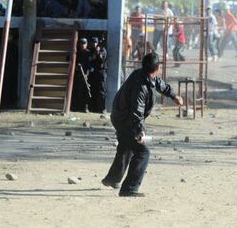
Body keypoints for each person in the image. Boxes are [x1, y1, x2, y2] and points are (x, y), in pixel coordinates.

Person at [101, 53, 184, 197]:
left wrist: (173, 96)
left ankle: (112, 179)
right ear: (157, 68)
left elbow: (159, 83)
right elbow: (137, 111)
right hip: (125, 119)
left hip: (120, 115)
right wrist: (140, 130)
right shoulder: (141, 86)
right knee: (142, 152)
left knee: (125, 146)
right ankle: (129, 189)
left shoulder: (144, 75)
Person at [73, 38, 92, 112]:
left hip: (85, 75)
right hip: (77, 74)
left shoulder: (88, 53)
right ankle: (76, 107)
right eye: (81, 43)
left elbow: (89, 65)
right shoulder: (76, 52)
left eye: (84, 43)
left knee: (86, 91)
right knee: (77, 91)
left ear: (86, 44)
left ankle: (85, 107)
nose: (82, 45)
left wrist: (86, 74)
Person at [88, 37, 107, 113]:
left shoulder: (102, 50)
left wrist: (98, 52)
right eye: (93, 42)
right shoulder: (91, 50)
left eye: (95, 42)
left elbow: (102, 60)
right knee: (93, 90)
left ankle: (101, 108)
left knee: (101, 90)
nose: (94, 44)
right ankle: (93, 107)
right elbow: (90, 59)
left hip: (101, 72)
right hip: (93, 73)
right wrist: (95, 53)